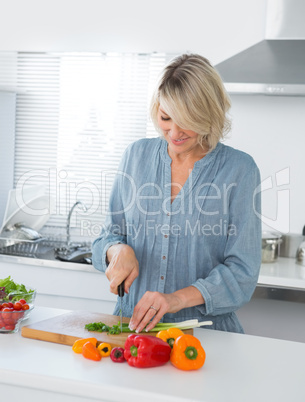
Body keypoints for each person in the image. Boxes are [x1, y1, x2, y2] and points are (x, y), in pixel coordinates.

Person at [92, 53, 261, 334]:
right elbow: (106, 237)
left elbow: (242, 273)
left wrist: (175, 299)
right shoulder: (136, 156)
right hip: (132, 333)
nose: (175, 132)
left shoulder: (239, 170)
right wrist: (116, 250)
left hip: (204, 336)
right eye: (166, 117)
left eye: (188, 121)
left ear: (209, 116)